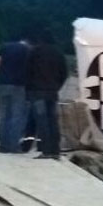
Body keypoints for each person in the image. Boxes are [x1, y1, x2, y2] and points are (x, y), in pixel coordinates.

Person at [26, 29, 68, 158]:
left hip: (37, 92)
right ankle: (56, 151)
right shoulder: (58, 53)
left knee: (42, 122)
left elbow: (27, 71)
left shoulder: (34, 52)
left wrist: (28, 89)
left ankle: (46, 151)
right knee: (53, 122)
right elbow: (64, 73)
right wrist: (57, 86)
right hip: (52, 92)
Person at [0, 35, 29, 152]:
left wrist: (4, 72)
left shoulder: (4, 47)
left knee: (3, 117)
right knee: (16, 116)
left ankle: (3, 145)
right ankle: (13, 146)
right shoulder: (26, 50)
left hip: (2, 85)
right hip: (18, 86)